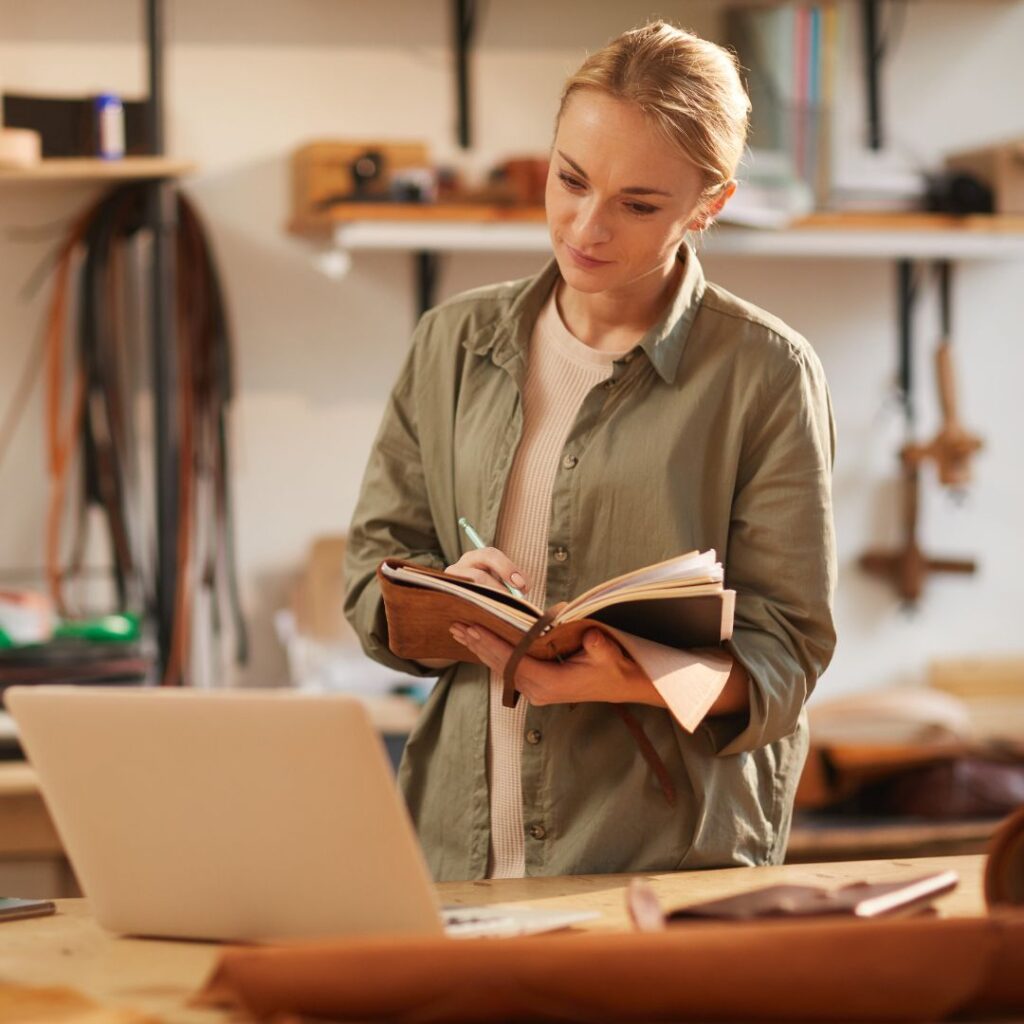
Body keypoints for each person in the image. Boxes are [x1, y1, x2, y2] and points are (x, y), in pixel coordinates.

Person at [344, 21, 836, 882]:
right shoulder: (451, 343)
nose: (586, 225)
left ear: (709, 205)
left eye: (638, 205)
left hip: (661, 863)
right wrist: (445, 595)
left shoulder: (766, 374)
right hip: (455, 853)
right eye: (570, 179)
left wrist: (630, 678)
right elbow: (369, 579)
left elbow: (784, 659)